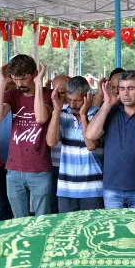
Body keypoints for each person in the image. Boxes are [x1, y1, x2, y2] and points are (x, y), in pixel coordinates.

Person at [85, 71, 135, 209]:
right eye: (122, 89)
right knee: (114, 229)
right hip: (112, 188)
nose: (125, 93)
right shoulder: (110, 111)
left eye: (131, 88)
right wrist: (107, 103)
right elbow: (90, 135)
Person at [0, 55, 53, 218]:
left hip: (40, 169)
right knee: (19, 222)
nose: (19, 84)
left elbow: (41, 118)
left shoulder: (48, 94)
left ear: (34, 73)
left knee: (42, 221)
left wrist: (38, 85)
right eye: (16, 79)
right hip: (14, 169)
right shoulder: (12, 95)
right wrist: (2, 83)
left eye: (24, 78)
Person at [46, 76, 104, 212]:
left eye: (77, 101)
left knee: (92, 231)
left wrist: (84, 116)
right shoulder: (63, 114)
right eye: (69, 100)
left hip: (93, 189)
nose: (72, 105)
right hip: (66, 189)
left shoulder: (98, 116)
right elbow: (51, 142)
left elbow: (91, 144)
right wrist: (56, 111)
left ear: (88, 96)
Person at [0, 71, 15, 221]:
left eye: (11, 85)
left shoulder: (21, 102)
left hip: (18, 162)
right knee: (1, 203)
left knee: (20, 204)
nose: (8, 90)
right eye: (4, 86)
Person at [47, 74, 70, 214]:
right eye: (54, 91)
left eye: (62, 92)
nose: (58, 95)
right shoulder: (49, 106)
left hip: (70, 165)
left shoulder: (78, 106)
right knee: (53, 205)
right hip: (52, 164)